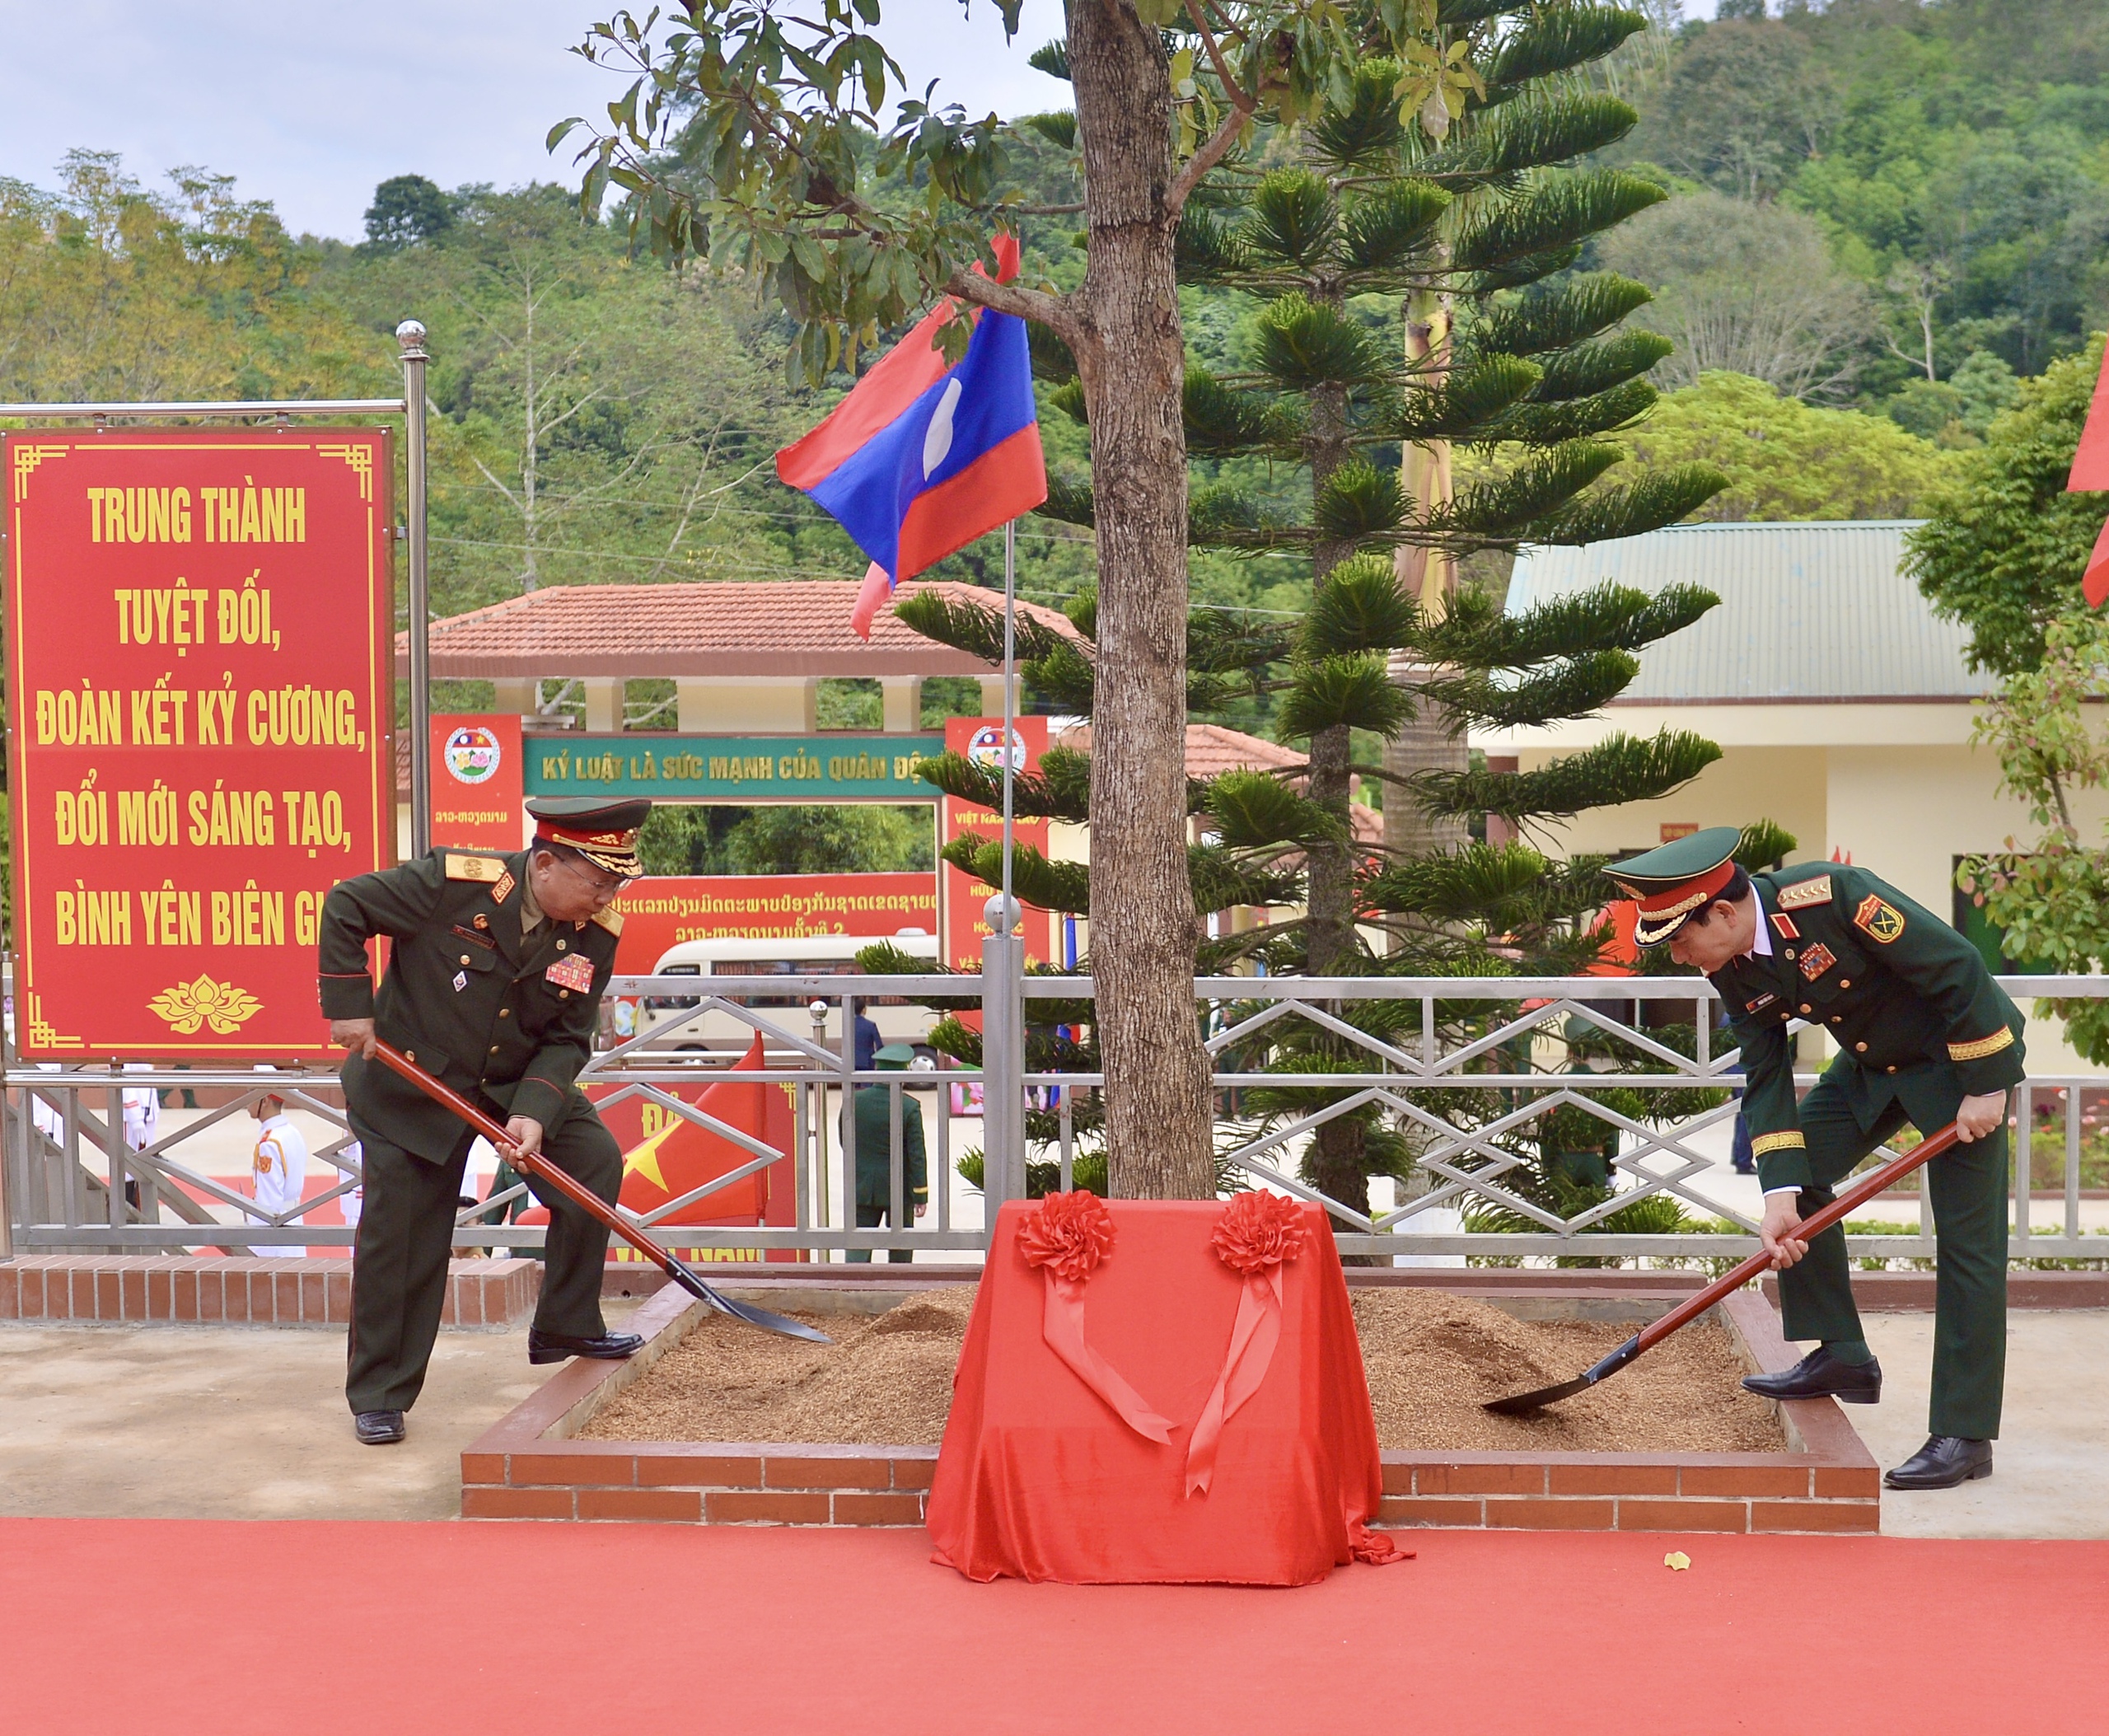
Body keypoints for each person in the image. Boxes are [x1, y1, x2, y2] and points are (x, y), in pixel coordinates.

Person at [1611, 827, 2024, 1491]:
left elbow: (1956, 966)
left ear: (1721, 912)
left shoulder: (1833, 897)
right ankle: (1844, 1355)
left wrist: (1988, 1082)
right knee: (1798, 1178)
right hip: (1873, 1065)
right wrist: (1778, 1195)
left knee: (1969, 1247)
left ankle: (1965, 1433)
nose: (1683, 957)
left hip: (1958, 1060)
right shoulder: (1731, 962)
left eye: (1682, 940)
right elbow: (1765, 1070)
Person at [318, 796, 649, 1447]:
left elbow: (566, 1034)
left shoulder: (595, 933)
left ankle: (564, 1319)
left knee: (592, 1158)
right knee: (406, 1234)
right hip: (413, 1079)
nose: (607, 895)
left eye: (617, 882)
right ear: (546, 861)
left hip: (510, 1081)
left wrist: (533, 1109)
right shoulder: (453, 882)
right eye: (599, 880)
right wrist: (351, 1004)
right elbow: (346, 903)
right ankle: (381, 1392)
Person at [844, 1043, 927, 1263]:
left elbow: (846, 1141)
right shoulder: (909, 1106)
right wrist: (920, 1193)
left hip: (862, 1185)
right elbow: (916, 1154)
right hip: (898, 1188)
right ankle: (898, 1285)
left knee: (859, 1244)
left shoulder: (853, 1102)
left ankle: (852, 1285)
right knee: (900, 1245)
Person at [247, 1079, 309, 1257]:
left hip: (275, 1233)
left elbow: (269, 1204)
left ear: (264, 1100)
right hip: (294, 1219)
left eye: (251, 1092)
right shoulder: (291, 1132)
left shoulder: (269, 1143)